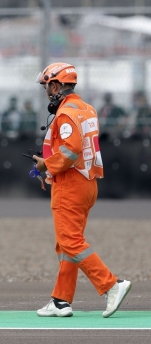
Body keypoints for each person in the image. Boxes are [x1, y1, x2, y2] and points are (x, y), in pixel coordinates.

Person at [33, 63, 131, 318]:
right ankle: (60, 301)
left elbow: (70, 150)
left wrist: (47, 165)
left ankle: (111, 285)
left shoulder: (65, 113)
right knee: (68, 243)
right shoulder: (87, 109)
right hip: (88, 183)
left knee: (70, 241)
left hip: (70, 185)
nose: (46, 92)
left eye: (46, 87)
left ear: (55, 86)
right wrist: (49, 169)